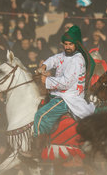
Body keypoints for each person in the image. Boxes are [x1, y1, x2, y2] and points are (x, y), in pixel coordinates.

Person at [29, 25, 95, 158]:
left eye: (70, 44)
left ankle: (36, 151)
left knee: (40, 116)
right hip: (59, 94)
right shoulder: (66, 54)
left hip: (67, 98)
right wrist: (43, 66)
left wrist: (45, 80)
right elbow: (55, 59)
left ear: (76, 44)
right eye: (65, 44)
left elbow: (66, 83)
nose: (67, 47)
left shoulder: (77, 60)